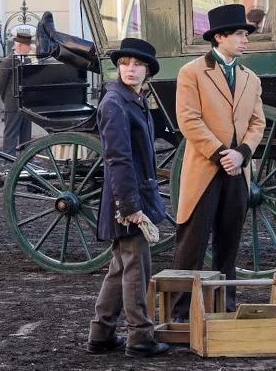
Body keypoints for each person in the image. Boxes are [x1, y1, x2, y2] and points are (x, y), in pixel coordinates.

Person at [171, 4, 266, 319]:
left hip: (237, 172)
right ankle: (180, 314)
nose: (245, 40)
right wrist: (221, 153)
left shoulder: (250, 78)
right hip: (205, 169)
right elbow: (189, 120)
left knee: (229, 243)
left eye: (245, 35)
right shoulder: (192, 72)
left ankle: (223, 307)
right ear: (220, 37)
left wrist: (241, 154)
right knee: (192, 244)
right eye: (240, 34)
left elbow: (257, 123)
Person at [87, 38, 169, 358]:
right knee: (136, 267)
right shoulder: (115, 103)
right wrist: (131, 208)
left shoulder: (134, 98)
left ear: (147, 69)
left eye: (137, 64)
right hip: (126, 200)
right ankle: (140, 337)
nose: (130, 69)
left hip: (134, 194)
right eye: (124, 64)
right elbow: (117, 159)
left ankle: (101, 334)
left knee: (121, 266)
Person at [0, 29, 33, 156]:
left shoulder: (28, 61)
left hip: (26, 105)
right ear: (19, 46)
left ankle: (26, 160)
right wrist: (7, 100)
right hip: (12, 104)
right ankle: (8, 161)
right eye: (28, 46)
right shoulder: (8, 61)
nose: (30, 48)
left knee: (26, 135)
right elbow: (1, 86)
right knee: (11, 134)